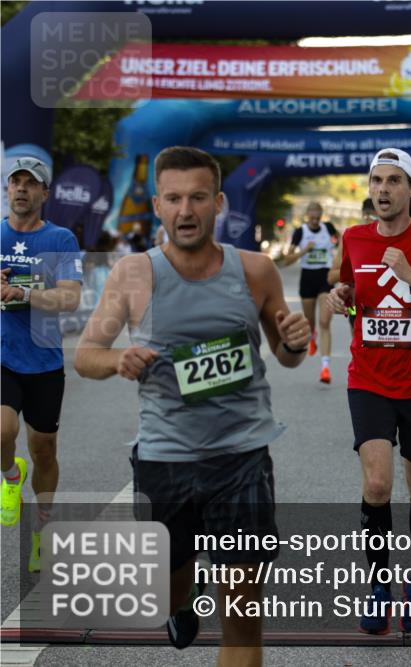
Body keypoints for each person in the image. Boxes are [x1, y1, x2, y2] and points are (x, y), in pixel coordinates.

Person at [75, 146, 310, 664]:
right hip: (165, 461)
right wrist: (116, 359)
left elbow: (287, 356)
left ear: (218, 203)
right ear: (158, 205)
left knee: (243, 619)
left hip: (242, 458)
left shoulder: (256, 271)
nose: (186, 210)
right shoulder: (133, 274)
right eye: (175, 198)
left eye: (199, 197)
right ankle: (181, 598)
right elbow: (86, 355)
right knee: (169, 589)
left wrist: (295, 341)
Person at [326, 148, 411, 634]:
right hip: (369, 379)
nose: (382, 189)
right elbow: (353, 301)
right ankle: (379, 587)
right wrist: (342, 300)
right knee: (378, 485)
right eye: (376, 181)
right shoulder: (354, 238)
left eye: (392, 181)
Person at [1, 158, 83, 575]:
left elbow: (70, 298)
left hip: (44, 360)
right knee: (2, 431)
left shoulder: (60, 239)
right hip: (3, 355)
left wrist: (23, 293)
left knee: (44, 450)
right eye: (15, 182)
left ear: (44, 194)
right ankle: (10, 476)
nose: (21, 188)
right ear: (7, 189)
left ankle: (42, 530)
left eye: (30, 183)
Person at [284, 202, 339, 383]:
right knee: (310, 323)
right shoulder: (300, 232)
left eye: (318, 217)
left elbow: (342, 242)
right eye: (312, 218)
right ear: (307, 216)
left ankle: (325, 368)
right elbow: (287, 260)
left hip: (325, 278)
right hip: (307, 279)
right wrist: (305, 250)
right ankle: (312, 337)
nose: (315, 221)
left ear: (321, 216)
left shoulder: (328, 228)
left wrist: (338, 258)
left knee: (325, 321)